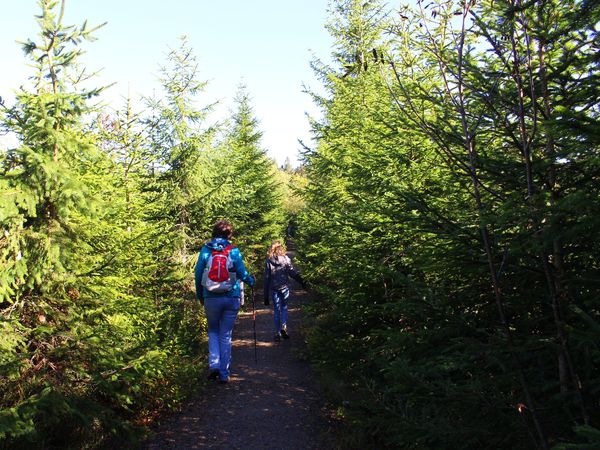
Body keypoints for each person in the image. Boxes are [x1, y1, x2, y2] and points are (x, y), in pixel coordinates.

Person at [195, 220, 255, 384]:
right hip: (231, 297)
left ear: (213, 233)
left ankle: (213, 365)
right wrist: (251, 281)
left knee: (213, 331)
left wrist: (201, 296)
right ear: (229, 235)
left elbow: (198, 274)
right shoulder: (233, 251)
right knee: (225, 334)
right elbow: (242, 273)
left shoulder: (206, 250)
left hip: (211, 297)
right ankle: (224, 373)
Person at [263, 240, 307, 342]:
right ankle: (283, 327)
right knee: (284, 308)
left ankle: (277, 333)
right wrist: (302, 281)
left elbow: (266, 279)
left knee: (277, 310)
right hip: (284, 288)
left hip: (274, 289)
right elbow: (292, 272)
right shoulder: (286, 259)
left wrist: (265, 296)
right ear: (281, 249)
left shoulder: (269, 261)